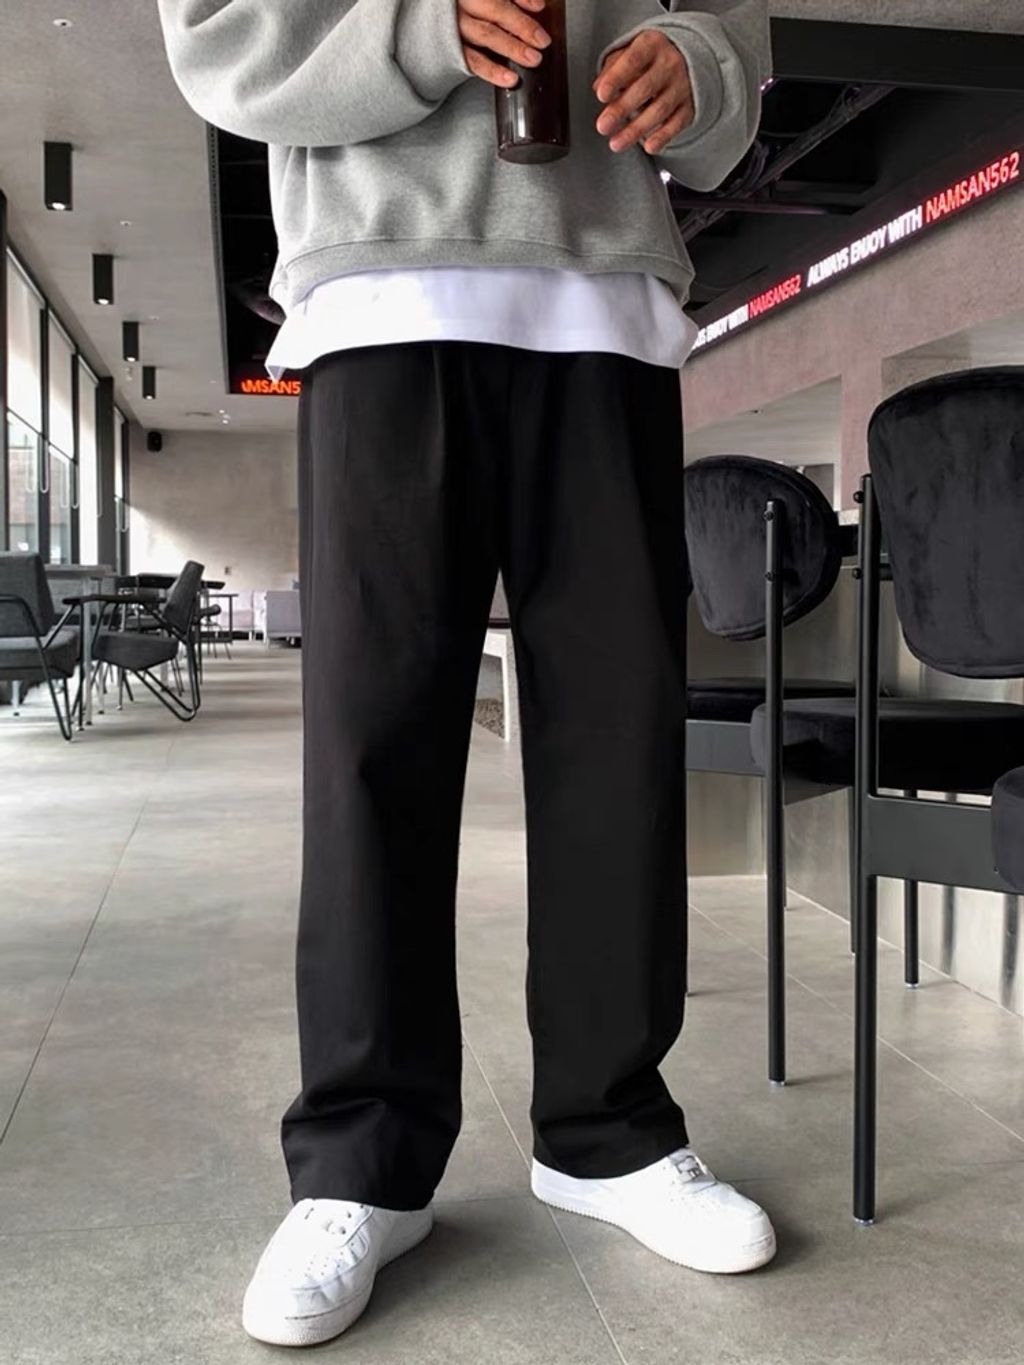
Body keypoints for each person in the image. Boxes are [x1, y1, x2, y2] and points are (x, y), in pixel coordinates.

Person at [158, 0, 774, 1348]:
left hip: (608, 299)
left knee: (618, 737)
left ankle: (608, 1130)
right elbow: (216, 36)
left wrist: (702, 65)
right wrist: (422, 29)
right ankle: (362, 1161)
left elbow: (734, 25)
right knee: (374, 742)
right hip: (380, 285)